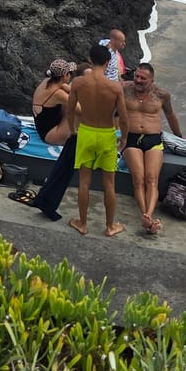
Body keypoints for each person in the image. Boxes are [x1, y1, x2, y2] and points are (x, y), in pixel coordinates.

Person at [67, 41, 126, 237]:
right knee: (109, 184)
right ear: (108, 62)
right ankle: (110, 226)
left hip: (86, 131)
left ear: (90, 60)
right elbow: (124, 117)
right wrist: (124, 138)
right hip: (107, 134)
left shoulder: (78, 83)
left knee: (84, 181)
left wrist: (72, 129)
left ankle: (82, 224)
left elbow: (70, 110)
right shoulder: (115, 87)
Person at [122, 62, 183, 234]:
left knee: (151, 179)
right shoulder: (124, 89)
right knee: (139, 178)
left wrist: (181, 138)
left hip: (153, 138)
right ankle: (146, 216)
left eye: (143, 78)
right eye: (136, 76)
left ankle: (148, 214)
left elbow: (170, 116)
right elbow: (109, 108)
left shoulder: (162, 95)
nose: (138, 80)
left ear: (152, 80)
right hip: (131, 139)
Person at [28, 61, 78, 221]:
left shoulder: (48, 82)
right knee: (78, 114)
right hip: (50, 134)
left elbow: (68, 89)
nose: (71, 76)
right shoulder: (57, 93)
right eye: (70, 74)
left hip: (46, 126)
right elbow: (80, 108)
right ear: (65, 76)